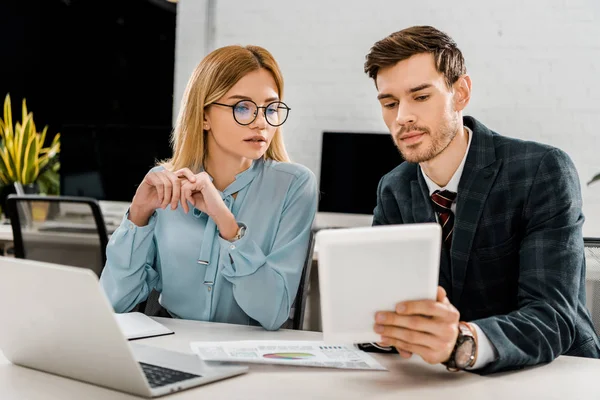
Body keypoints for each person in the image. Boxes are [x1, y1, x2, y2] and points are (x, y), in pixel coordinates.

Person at [362, 25, 600, 373]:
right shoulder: (394, 188)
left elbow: (552, 316)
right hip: (440, 379)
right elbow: (379, 306)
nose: (402, 117)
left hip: (555, 373)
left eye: (421, 96)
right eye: (390, 103)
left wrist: (461, 341)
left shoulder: (541, 170)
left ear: (460, 93)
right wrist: (383, 331)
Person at [100, 45, 318, 331]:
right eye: (243, 107)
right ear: (204, 116)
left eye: (271, 108)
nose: (262, 122)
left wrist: (227, 224)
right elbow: (112, 305)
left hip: (249, 354)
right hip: (172, 344)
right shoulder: (164, 183)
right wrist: (137, 217)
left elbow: (272, 312)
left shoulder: (294, 185)